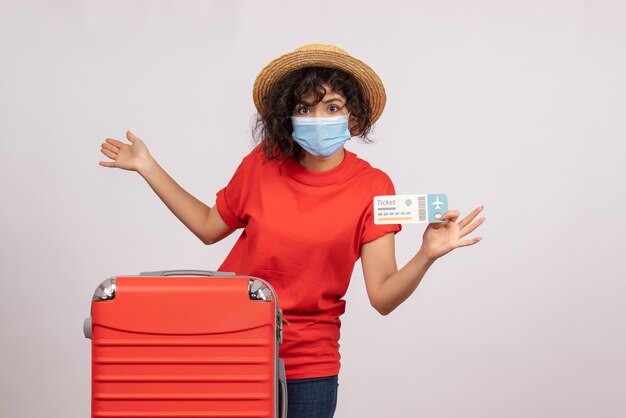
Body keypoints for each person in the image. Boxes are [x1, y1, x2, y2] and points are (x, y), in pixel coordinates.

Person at [99, 44, 485, 418]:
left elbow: (382, 297)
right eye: (305, 108)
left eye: (332, 107)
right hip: (232, 345)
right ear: (288, 116)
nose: (319, 120)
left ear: (353, 118)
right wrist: (148, 167)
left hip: (309, 368)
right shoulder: (261, 165)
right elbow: (207, 227)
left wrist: (426, 255)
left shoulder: (374, 186)